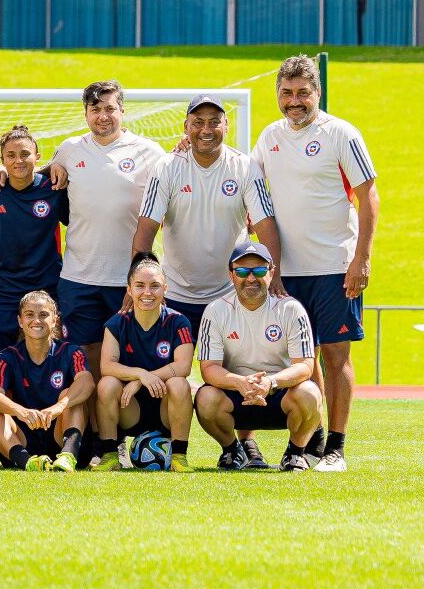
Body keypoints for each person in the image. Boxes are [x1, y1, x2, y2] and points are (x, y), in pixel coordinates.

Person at [251, 55, 377, 473]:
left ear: (316, 93)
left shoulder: (341, 133)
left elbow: (369, 198)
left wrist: (361, 259)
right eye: (286, 93)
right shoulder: (269, 137)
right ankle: (312, 441)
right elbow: (247, 181)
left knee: (335, 356)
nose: (294, 101)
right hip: (287, 272)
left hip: (334, 266)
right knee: (301, 358)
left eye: (303, 93)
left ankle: (337, 448)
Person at [43, 82, 168, 366]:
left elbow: (176, 187)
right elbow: (30, 174)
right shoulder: (69, 149)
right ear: (86, 114)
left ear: (122, 111)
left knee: (132, 357)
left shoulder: (149, 151)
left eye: (110, 108)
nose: (103, 116)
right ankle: (91, 413)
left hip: (128, 279)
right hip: (78, 276)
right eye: (95, 109)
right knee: (83, 358)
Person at [133, 94, 278, 336]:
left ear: (226, 125)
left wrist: (276, 276)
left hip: (232, 294)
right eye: (198, 122)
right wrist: (138, 282)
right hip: (176, 296)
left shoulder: (245, 167)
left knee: (236, 373)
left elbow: (266, 227)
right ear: (186, 127)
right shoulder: (167, 167)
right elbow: (145, 231)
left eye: (214, 121)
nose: (206, 129)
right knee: (168, 373)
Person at [195, 241, 325, 472]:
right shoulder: (216, 311)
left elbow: (305, 365)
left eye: (260, 271)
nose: (251, 278)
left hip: (280, 395)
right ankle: (233, 451)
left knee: (310, 393)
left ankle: (295, 453)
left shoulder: (290, 309)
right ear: (231, 274)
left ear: (271, 272)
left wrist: (270, 382)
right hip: (236, 395)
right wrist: (239, 382)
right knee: (205, 398)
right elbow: (209, 368)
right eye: (243, 271)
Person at [95, 257, 197, 470]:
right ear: (129, 290)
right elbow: (107, 366)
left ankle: (179, 457)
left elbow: (183, 366)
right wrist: (141, 374)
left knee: (179, 383)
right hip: (129, 407)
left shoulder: (179, 322)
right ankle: (110, 455)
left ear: (165, 289)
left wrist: (143, 380)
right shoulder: (116, 323)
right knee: (106, 384)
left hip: (164, 407)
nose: (147, 293)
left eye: (155, 286)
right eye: (140, 286)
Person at [0, 125, 69, 355]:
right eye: (10, 155)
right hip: (4, 289)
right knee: (2, 357)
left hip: (47, 285)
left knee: (49, 354)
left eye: (25, 154)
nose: (18, 160)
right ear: (2, 159)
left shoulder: (55, 188)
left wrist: (56, 166)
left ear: (37, 157)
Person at [0, 290, 91, 473]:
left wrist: (59, 406)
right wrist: (22, 412)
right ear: (20, 321)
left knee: (69, 396)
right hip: (25, 439)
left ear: (55, 319)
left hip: (60, 433)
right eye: (29, 315)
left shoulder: (72, 352)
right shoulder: (6, 357)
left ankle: (67, 457)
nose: (37, 321)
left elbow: (86, 381)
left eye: (43, 315)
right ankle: (27, 462)